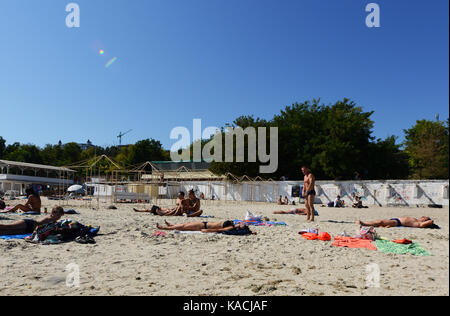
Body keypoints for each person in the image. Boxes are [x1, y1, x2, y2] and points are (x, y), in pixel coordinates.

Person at [0, 206, 64, 235]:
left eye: (60, 216)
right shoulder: (50, 218)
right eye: (58, 215)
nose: (59, 217)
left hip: (31, 230)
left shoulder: (54, 220)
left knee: (9, 232)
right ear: (53, 213)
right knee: (9, 226)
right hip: (29, 223)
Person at [156, 220, 256, 234]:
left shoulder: (231, 227)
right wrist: (251, 232)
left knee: (184, 227)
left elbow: (220, 229)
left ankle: (165, 228)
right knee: (185, 225)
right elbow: (249, 230)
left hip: (203, 225)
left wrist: (207, 230)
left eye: (243, 225)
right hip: (204, 223)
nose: (243, 223)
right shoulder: (234, 224)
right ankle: (171, 225)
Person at [356, 216, 435, 228]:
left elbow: (431, 221)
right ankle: (366, 223)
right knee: (380, 222)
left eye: (425, 217)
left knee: (380, 222)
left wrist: (430, 220)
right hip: (396, 220)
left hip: (397, 222)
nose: (422, 217)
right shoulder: (417, 220)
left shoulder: (420, 223)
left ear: (425, 220)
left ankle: (364, 224)